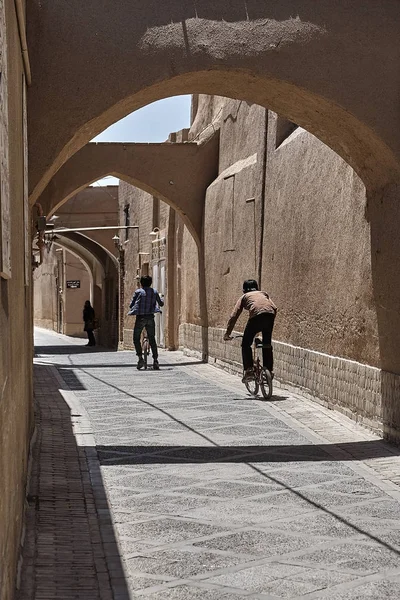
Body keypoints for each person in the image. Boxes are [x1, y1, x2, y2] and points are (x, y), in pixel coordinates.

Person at [224, 279, 277, 382]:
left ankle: (249, 370)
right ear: (256, 287)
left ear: (244, 290)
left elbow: (234, 315)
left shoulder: (244, 297)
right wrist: (268, 323)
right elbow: (274, 308)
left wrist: (227, 333)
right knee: (267, 344)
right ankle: (269, 371)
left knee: (245, 344)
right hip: (270, 316)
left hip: (256, 317)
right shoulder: (263, 293)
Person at [129, 275, 164, 370]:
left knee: (136, 338)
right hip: (150, 318)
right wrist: (161, 298)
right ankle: (155, 360)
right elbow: (161, 304)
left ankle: (140, 358)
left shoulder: (138, 292)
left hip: (140, 318)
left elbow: (131, 305)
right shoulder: (154, 292)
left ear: (141, 283)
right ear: (151, 283)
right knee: (152, 339)